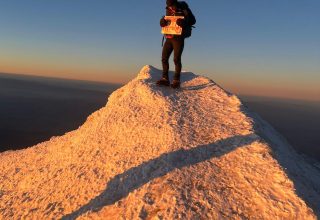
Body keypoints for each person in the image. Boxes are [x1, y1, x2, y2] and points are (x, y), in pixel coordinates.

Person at [156, 0, 196, 89]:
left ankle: (176, 81)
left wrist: (184, 23)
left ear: (175, 3)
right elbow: (167, 20)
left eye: (172, 6)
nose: (171, 8)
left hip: (178, 38)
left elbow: (193, 21)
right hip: (169, 37)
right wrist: (162, 21)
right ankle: (165, 79)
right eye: (169, 7)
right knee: (164, 58)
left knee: (176, 59)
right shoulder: (168, 9)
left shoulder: (183, 8)